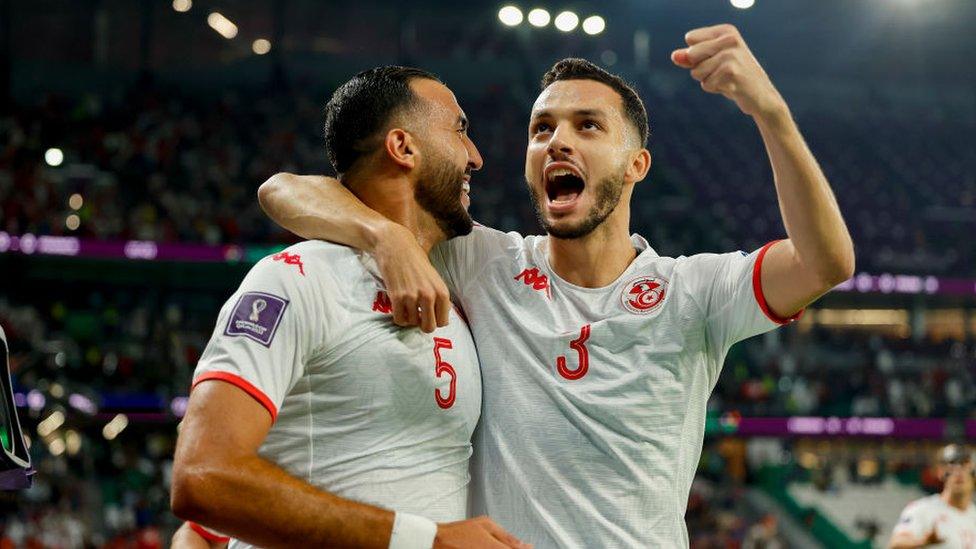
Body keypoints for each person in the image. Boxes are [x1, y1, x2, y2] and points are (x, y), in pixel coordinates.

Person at [257, 24, 855, 546]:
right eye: (541, 128)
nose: (557, 141)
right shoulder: (483, 261)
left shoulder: (695, 291)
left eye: (587, 126)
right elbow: (282, 189)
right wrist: (384, 237)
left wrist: (770, 112)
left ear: (636, 165)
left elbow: (827, 261)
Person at [170, 66, 527, 549]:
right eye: (460, 130)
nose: (476, 157)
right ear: (403, 147)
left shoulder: (460, 283)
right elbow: (202, 476)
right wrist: (427, 541)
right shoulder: (297, 278)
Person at [889, 444, 976, 549]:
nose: (959, 472)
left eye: (965, 466)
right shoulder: (922, 509)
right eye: (952, 466)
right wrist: (922, 542)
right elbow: (896, 543)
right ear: (941, 472)